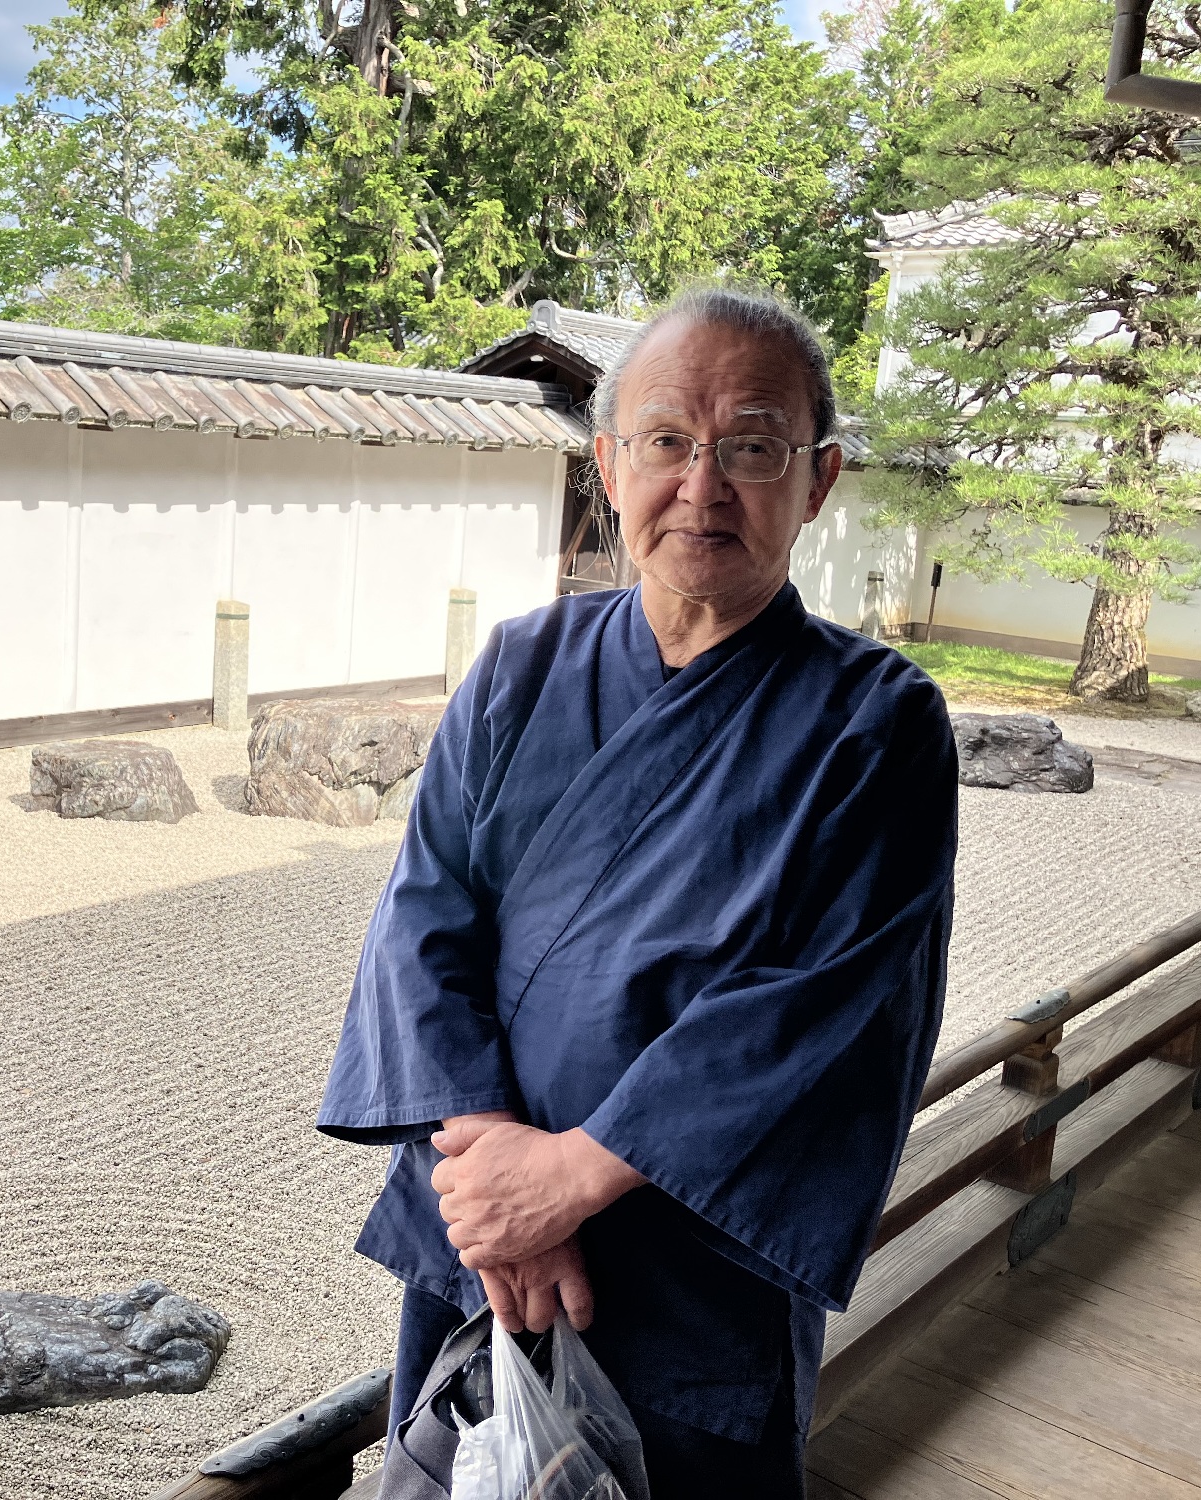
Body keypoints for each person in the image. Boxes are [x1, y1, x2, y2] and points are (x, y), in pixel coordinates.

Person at [317, 285, 958, 1495]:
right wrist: (495, 1166)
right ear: (609, 466)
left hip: (689, 1261)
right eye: (665, 441)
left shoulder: (876, 726)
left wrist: (567, 1178)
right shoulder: (521, 664)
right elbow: (422, 919)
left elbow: (825, 1011)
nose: (702, 484)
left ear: (814, 482)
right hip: (481, 1230)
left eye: (751, 447)